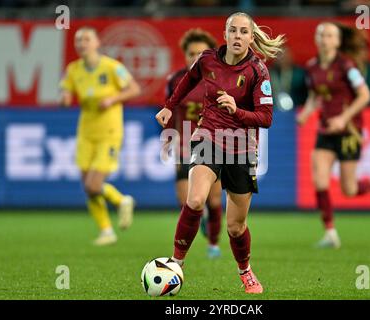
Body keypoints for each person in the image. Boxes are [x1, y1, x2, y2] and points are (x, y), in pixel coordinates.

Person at [156, 12, 284, 293]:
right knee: (196, 199)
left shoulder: (257, 70)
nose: (238, 36)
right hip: (208, 138)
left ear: (251, 38)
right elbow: (187, 81)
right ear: (225, 34)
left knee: (236, 227)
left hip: (241, 148)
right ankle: (177, 264)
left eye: (243, 32)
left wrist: (236, 110)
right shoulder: (207, 59)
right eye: (233, 31)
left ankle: (245, 271)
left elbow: (266, 118)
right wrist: (169, 106)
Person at [296, 22, 370, 249]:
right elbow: (314, 96)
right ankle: (330, 233)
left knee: (349, 189)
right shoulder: (311, 68)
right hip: (326, 130)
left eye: (329, 35)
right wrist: (307, 113)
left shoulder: (347, 66)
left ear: (337, 42)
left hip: (349, 131)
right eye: (321, 35)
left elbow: (365, 95)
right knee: (319, 179)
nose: (324, 39)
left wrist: (343, 118)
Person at [59, 27, 141, 246]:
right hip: (86, 133)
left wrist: (113, 99)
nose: (82, 43)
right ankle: (106, 230)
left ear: (96, 43)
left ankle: (122, 200)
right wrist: (64, 98)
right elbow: (65, 94)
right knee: (87, 185)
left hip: (109, 132)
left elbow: (134, 89)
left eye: (86, 39)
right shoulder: (73, 70)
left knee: (93, 185)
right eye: (78, 40)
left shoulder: (112, 67)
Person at [165, 28, 223, 259]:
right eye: (191, 53)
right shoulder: (176, 80)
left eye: (201, 53)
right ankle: (201, 225)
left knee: (215, 199)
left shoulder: (218, 78)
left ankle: (214, 244)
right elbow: (167, 110)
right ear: (185, 54)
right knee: (187, 201)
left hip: (213, 145)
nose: (195, 57)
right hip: (184, 148)